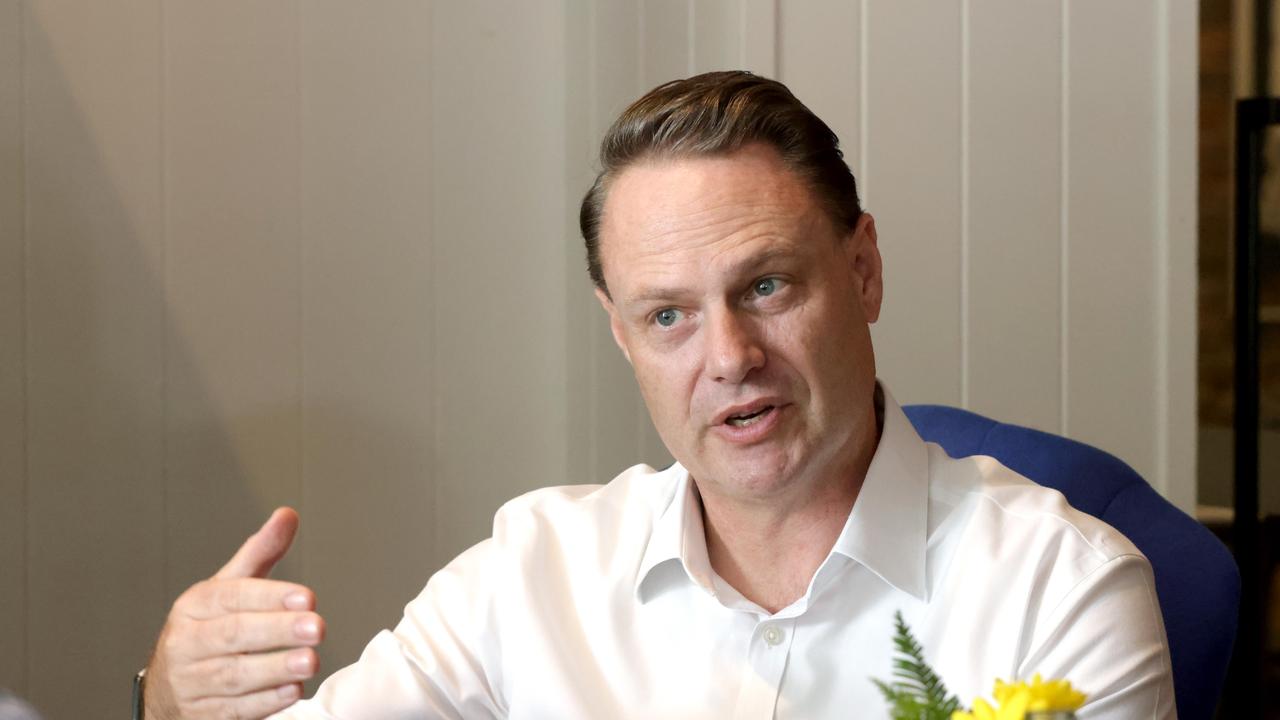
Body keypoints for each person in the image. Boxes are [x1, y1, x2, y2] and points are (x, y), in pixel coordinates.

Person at [140, 71, 1175, 719]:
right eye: (667, 315)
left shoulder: (1062, 592)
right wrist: (172, 704)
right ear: (618, 331)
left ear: (860, 270)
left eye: (765, 287)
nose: (727, 356)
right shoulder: (528, 575)